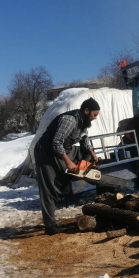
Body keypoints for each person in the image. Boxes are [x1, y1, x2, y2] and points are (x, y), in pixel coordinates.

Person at [34, 97, 100, 235]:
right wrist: (69, 162)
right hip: (46, 152)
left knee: (84, 153)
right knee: (49, 188)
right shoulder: (69, 120)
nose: (94, 118)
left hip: (64, 150)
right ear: (86, 111)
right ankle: (50, 225)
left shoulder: (84, 123)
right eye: (94, 115)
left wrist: (92, 153)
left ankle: (83, 173)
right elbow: (56, 143)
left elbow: (84, 141)